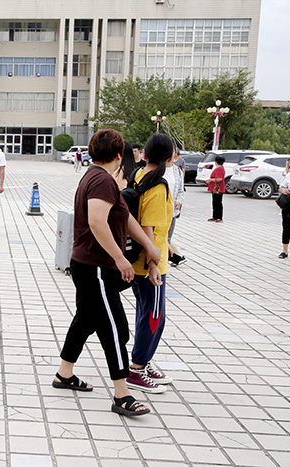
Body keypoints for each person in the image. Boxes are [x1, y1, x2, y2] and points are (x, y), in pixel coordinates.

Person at [54, 129, 160, 416]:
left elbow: (124, 218)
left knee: (85, 320)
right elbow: (97, 222)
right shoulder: (101, 180)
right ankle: (122, 395)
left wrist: (148, 246)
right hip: (95, 267)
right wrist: (121, 259)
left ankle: (65, 373)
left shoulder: (98, 177)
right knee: (115, 328)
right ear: (119, 154)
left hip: (89, 264)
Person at [126, 133, 174, 394]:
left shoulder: (138, 174)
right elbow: (148, 227)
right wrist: (153, 264)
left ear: (144, 153)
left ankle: (143, 360)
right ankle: (137, 369)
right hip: (150, 263)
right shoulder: (158, 185)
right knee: (155, 317)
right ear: (170, 156)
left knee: (145, 313)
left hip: (139, 260)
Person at [164, 148, 186, 266]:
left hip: (172, 212)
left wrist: (178, 201)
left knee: (167, 238)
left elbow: (181, 191)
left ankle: (166, 262)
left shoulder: (177, 171)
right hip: (159, 211)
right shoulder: (156, 170)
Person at [205, 155, 225, 222]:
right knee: (215, 202)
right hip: (216, 188)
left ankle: (219, 217)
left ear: (216, 162)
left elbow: (219, 179)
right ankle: (215, 216)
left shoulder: (218, 169)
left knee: (218, 202)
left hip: (217, 188)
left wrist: (210, 180)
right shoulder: (221, 168)